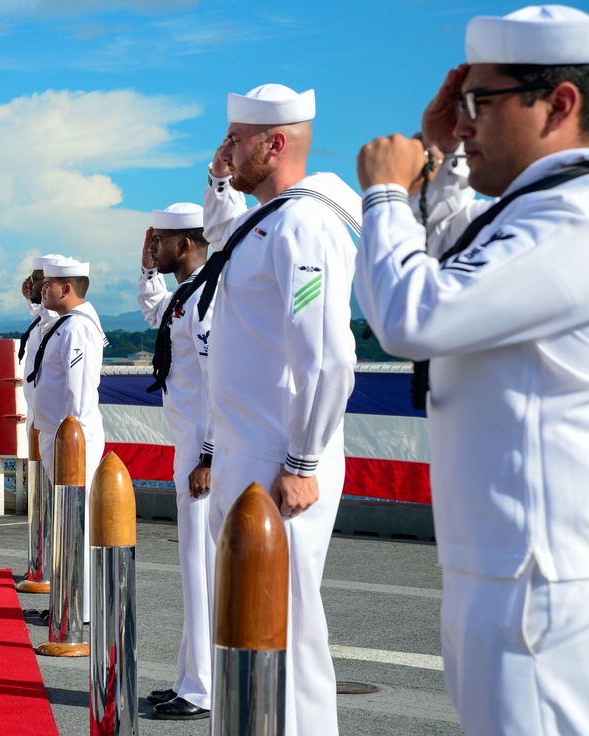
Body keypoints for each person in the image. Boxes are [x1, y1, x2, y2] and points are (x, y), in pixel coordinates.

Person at [354, 6, 589, 734]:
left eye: (480, 103)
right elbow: (459, 252)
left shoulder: (571, 218)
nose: (466, 122)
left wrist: (387, 193)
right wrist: (440, 147)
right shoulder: (535, 213)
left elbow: (415, 315)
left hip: (538, 579)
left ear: (559, 104)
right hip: (502, 568)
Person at [202, 84, 360, 736]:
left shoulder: (306, 223)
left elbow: (325, 354)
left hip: (279, 457)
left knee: (288, 632)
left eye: (238, 137)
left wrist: (302, 458)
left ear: (275, 143)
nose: (228, 146)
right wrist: (218, 177)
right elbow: (225, 239)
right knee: (248, 627)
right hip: (249, 451)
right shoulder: (267, 219)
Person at [136, 203, 216, 720]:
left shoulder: (209, 298)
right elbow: (154, 310)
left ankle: (203, 689)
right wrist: (146, 265)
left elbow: (219, 383)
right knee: (193, 569)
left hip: (207, 451)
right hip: (190, 444)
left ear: (184, 244)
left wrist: (209, 455)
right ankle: (189, 677)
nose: (157, 246)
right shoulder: (187, 295)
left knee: (203, 569)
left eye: (161, 241)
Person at [27, 256, 107, 620]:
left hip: (70, 439)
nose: (42, 289)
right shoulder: (65, 324)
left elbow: (77, 394)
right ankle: (69, 599)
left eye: (49, 285)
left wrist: (67, 436)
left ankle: (79, 605)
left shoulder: (76, 328)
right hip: (57, 437)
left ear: (67, 288)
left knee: (76, 523)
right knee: (66, 523)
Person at [18, 254, 62, 423]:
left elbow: (49, 320)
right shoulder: (43, 320)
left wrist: (35, 299)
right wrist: (31, 299)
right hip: (38, 414)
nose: (30, 283)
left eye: (34, 279)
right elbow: (43, 317)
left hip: (55, 419)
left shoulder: (61, 322)